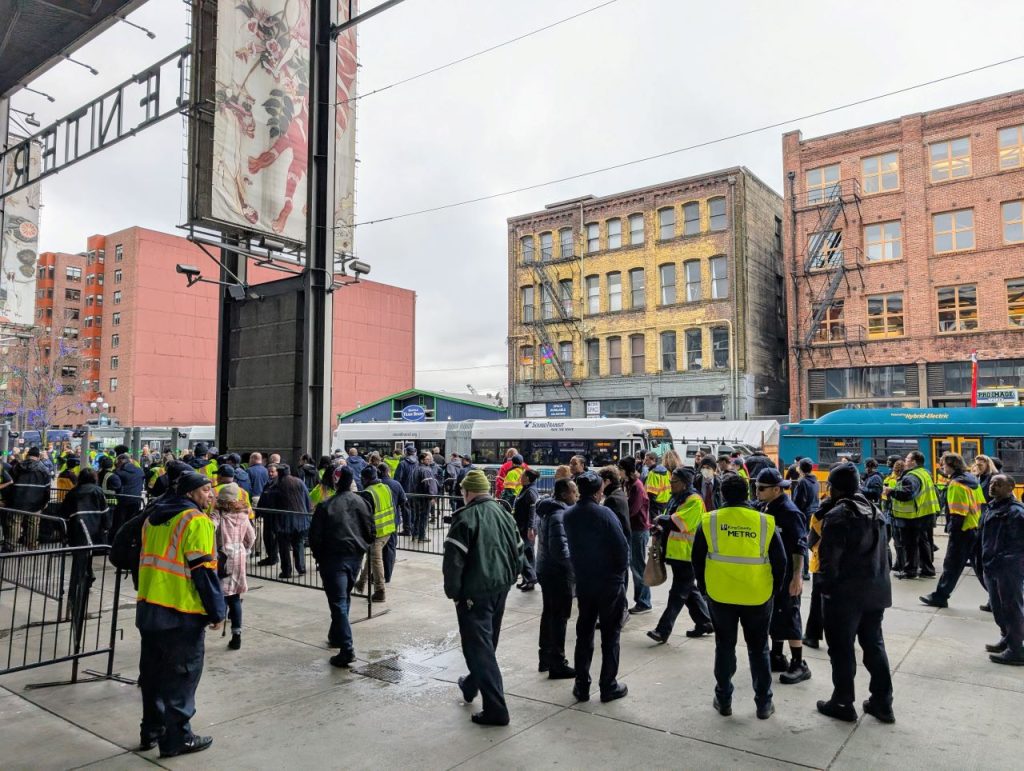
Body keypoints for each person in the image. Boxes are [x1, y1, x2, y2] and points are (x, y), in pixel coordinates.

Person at [136, 472, 225, 757]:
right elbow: (204, 572)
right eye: (206, 490)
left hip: (149, 606)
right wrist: (217, 611)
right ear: (190, 493)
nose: (211, 494)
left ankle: (151, 730)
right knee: (181, 677)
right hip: (181, 610)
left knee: (152, 674)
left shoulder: (152, 518)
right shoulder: (196, 521)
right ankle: (177, 739)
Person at [693, 473, 787, 720]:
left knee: (724, 647)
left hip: (720, 594)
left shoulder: (709, 521)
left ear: (721, 494)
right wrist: (773, 590)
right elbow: (781, 562)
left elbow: (696, 559)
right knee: (759, 650)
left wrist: (704, 588)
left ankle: (724, 700)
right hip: (757, 595)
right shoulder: (764, 522)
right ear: (748, 493)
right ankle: (764, 704)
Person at [815, 463, 895, 723]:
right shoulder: (875, 511)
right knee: (874, 645)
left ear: (833, 488)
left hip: (846, 595)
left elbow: (829, 560)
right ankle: (883, 702)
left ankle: (842, 701)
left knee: (841, 649)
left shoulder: (839, 516)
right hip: (876, 590)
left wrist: (825, 590)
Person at [443, 469, 523, 726]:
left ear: (467, 492)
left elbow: (453, 563)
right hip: (501, 588)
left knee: (479, 649)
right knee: (487, 644)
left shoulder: (465, 518)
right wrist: (511, 577)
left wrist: (454, 593)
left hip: (474, 593)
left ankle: (496, 709)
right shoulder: (504, 512)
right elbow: (519, 550)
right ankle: (470, 685)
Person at [563, 472, 630, 704]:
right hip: (608, 583)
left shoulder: (569, 515)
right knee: (611, 635)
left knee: (584, 632)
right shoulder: (604, 513)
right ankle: (608, 685)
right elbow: (622, 550)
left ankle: (582, 685)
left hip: (584, 582)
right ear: (598, 491)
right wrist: (618, 577)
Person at [310, 467, 373, 666]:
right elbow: (371, 530)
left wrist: (320, 557)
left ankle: (347, 648)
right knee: (343, 598)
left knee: (338, 601)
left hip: (334, 559)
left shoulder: (326, 506)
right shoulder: (362, 502)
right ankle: (337, 635)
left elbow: (315, 538)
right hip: (354, 557)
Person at [755, 468, 811, 685]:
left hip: (788, 574)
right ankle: (777, 656)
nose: (757, 491)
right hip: (773, 573)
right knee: (775, 614)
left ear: (777, 489)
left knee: (790, 614)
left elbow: (800, 547)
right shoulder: (767, 506)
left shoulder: (789, 512)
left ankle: (799, 663)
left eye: (762, 488)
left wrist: (797, 576)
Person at [647, 467, 713, 643]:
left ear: (684, 483)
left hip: (688, 555)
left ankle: (663, 630)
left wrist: (661, 520)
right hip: (677, 553)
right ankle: (705, 622)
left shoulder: (694, 500)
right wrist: (660, 525)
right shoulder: (677, 497)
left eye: (673, 481)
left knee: (677, 593)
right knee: (688, 590)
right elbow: (671, 517)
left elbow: (680, 522)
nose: (670, 484)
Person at [920, 452, 983, 609]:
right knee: (981, 567)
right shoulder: (972, 479)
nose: (942, 467)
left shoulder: (956, 484)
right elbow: (982, 503)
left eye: (944, 465)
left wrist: (953, 533)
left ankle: (940, 597)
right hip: (975, 527)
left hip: (962, 530)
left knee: (952, 566)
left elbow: (957, 513)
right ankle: (999, 597)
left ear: (951, 466)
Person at [536, 478, 577, 679]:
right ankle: (557, 663)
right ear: (563, 494)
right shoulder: (559, 514)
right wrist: (575, 566)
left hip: (546, 569)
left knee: (549, 614)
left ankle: (545, 657)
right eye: (573, 492)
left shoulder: (548, 510)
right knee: (559, 617)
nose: (576, 496)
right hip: (557, 573)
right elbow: (561, 550)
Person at [980, 474, 1024, 666]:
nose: (993, 487)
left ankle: (1016, 649)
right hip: (992, 566)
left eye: (998, 484)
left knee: (1011, 607)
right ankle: (1008, 638)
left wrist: (1004, 560)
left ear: (1010, 488)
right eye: (992, 483)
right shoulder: (993, 507)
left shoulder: (1016, 512)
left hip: (1008, 568)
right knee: (998, 608)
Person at [211, 482, 256, 650]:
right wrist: (246, 548)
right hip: (239, 556)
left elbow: (210, 528)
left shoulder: (218, 515)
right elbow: (251, 537)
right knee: (235, 597)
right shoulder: (244, 515)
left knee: (219, 592)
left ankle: (217, 619)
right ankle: (236, 634)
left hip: (221, 557)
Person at [890, 451, 940, 579]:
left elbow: (908, 494)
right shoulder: (925, 473)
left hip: (912, 517)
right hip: (926, 514)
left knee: (910, 544)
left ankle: (910, 571)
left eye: (907, 459)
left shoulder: (911, 476)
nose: (905, 461)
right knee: (923, 542)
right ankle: (928, 570)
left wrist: (891, 491)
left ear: (914, 461)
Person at [355, 466, 397, 602]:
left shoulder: (368, 493)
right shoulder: (386, 488)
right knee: (372, 557)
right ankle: (361, 583)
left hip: (377, 532)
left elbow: (365, 516)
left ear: (365, 479)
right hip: (388, 529)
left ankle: (380, 591)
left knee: (376, 561)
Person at [262, 464, 312, 579]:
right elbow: (307, 500)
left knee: (284, 547)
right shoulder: (299, 482)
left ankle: (286, 571)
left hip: (282, 522)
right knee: (298, 544)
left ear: (278, 473)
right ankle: (301, 568)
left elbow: (271, 505)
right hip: (300, 520)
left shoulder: (276, 485)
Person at [619, 457, 652, 615]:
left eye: (620, 468)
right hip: (633, 529)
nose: (619, 471)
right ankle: (641, 600)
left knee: (638, 566)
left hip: (639, 531)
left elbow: (632, 510)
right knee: (635, 565)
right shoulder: (628, 485)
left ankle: (644, 602)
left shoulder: (637, 487)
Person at [6, 446, 51, 551]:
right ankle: (32, 545)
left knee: (14, 523)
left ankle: (11, 545)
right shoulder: (44, 469)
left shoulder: (18, 466)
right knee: (33, 523)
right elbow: (47, 488)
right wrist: (45, 502)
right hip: (36, 501)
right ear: (38, 456)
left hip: (17, 500)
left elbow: (10, 484)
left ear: (27, 455)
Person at [375, 462, 407, 583]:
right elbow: (403, 502)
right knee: (390, 548)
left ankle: (377, 575)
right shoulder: (395, 484)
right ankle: (387, 575)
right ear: (388, 471)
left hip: (377, 523)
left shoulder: (374, 486)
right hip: (392, 521)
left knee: (376, 551)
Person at [512, 468, 540, 591]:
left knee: (519, 552)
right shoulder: (526, 489)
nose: (520, 477)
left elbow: (533, 511)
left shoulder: (530, 492)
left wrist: (531, 528)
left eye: (522, 475)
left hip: (526, 529)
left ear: (527, 478)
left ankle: (531, 577)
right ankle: (528, 580)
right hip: (523, 527)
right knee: (528, 554)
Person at [411, 450, 440, 542]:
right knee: (424, 516)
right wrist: (432, 496)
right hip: (424, 497)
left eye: (429, 459)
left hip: (417, 495)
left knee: (417, 516)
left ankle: (415, 534)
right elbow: (429, 485)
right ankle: (422, 536)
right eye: (427, 459)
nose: (429, 460)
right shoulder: (426, 470)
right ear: (422, 460)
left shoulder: (416, 468)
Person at [394, 444, 419, 536]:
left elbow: (397, 479)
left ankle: (407, 529)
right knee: (413, 510)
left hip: (405, 491)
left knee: (405, 510)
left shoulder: (402, 464)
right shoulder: (417, 463)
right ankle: (413, 528)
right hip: (415, 491)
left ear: (406, 453)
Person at [599, 465, 630, 537]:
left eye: (600, 482)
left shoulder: (612, 499)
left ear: (607, 481)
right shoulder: (619, 493)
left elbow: (608, 526)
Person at [643, 451, 671, 519]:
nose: (644, 462)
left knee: (655, 523)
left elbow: (651, 493)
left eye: (647, 460)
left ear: (653, 460)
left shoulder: (653, 473)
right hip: (666, 502)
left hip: (656, 504)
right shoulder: (667, 471)